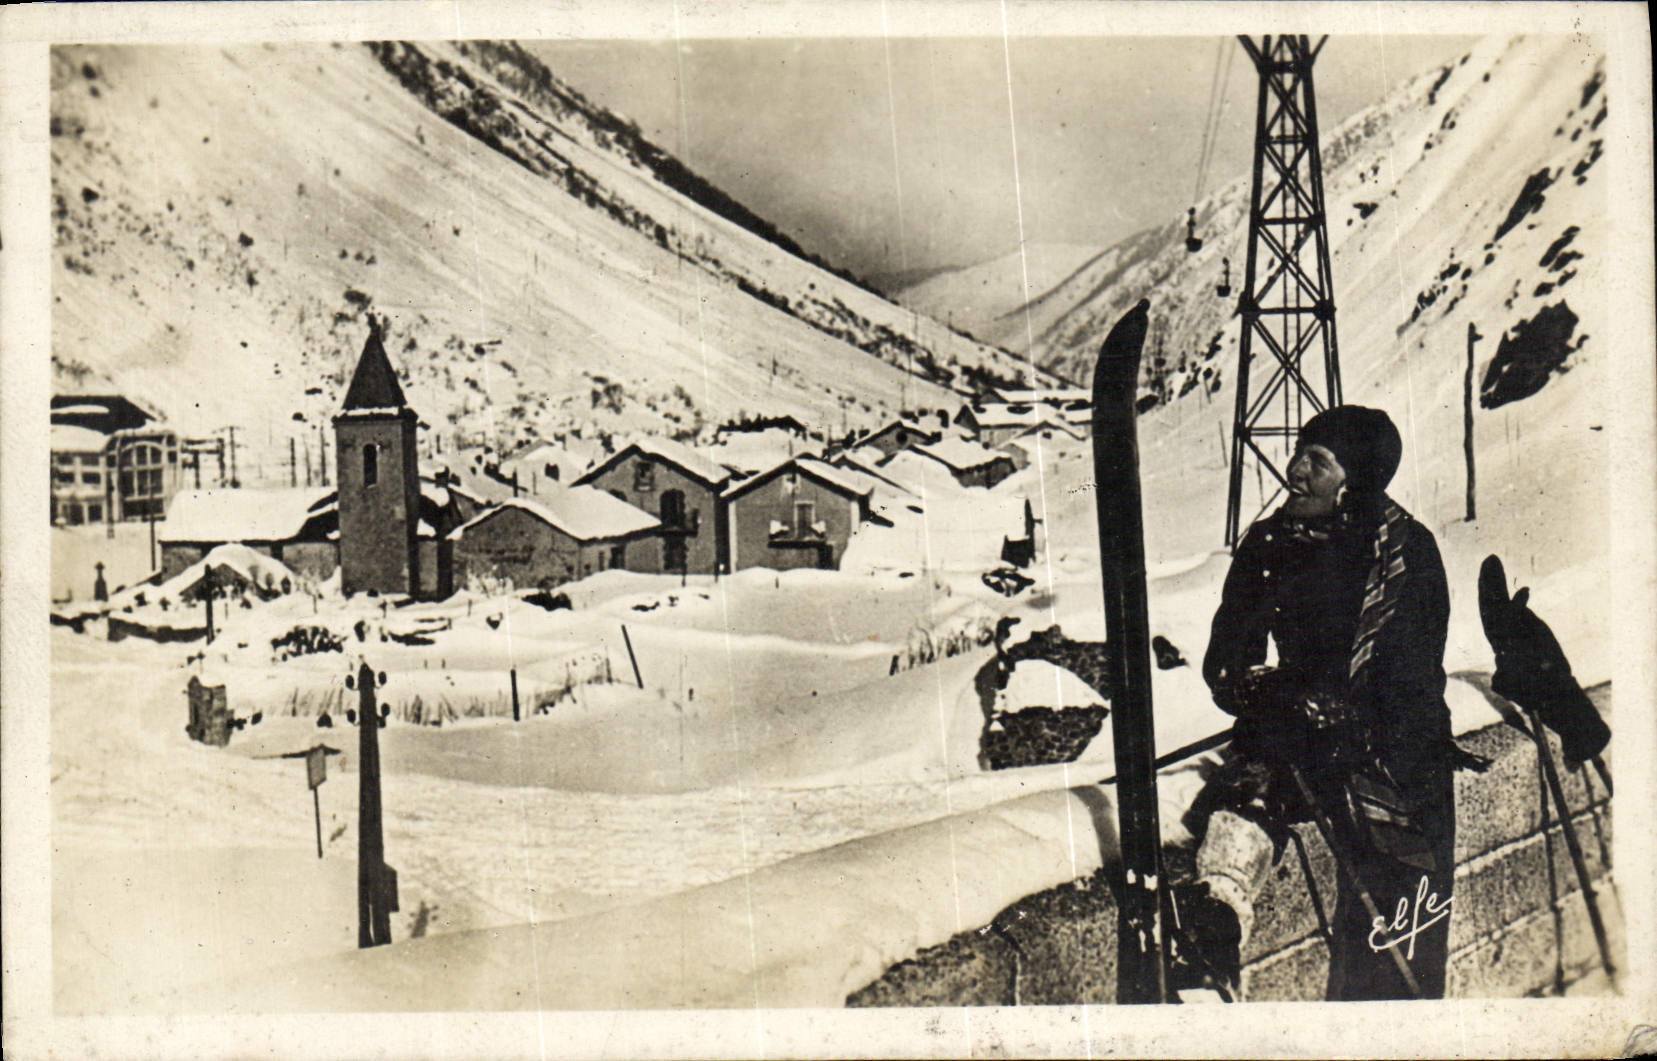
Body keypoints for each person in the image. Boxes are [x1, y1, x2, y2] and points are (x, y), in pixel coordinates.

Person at [1170, 405, 1462, 1002]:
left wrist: (1348, 718)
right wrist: (1260, 687)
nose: (1294, 471)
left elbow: (1414, 675)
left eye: (1317, 462)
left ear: (1355, 479)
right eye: (1299, 454)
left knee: (1400, 927)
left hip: (1396, 746)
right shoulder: (1270, 543)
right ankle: (1212, 940)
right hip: (1296, 729)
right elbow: (1228, 657)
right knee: (1245, 795)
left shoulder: (1406, 553)